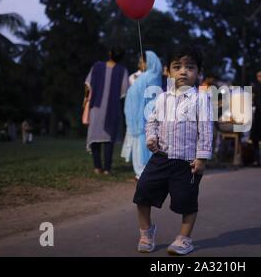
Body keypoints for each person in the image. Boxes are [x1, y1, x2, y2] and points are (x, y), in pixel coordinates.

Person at [133, 45, 213, 256]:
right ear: (168, 71)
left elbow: (205, 129)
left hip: (187, 163)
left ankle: (184, 239)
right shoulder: (162, 98)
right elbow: (152, 123)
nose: (183, 71)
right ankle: (146, 231)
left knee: (187, 202)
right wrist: (151, 138)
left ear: (198, 72)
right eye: (177, 67)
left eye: (190, 67)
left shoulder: (201, 99)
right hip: (161, 158)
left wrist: (202, 158)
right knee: (142, 193)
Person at [84, 47, 129, 176]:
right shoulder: (122, 70)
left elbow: (88, 85)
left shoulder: (97, 66)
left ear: (110, 53)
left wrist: (85, 100)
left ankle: (97, 167)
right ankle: (107, 169)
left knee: (94, 138)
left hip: (96, 108)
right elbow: (124, 91)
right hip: (112, 108)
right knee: (109, 139)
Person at [121, 51, 162, 180]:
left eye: (142, 61)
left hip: (144, 118)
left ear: (149, 61)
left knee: (144, 146)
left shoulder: (151, 76)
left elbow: (150, 98)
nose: (140, 63)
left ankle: (144, 172)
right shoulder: (147, 76)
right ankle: (142, 172)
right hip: (139, 118)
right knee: (141, 146)